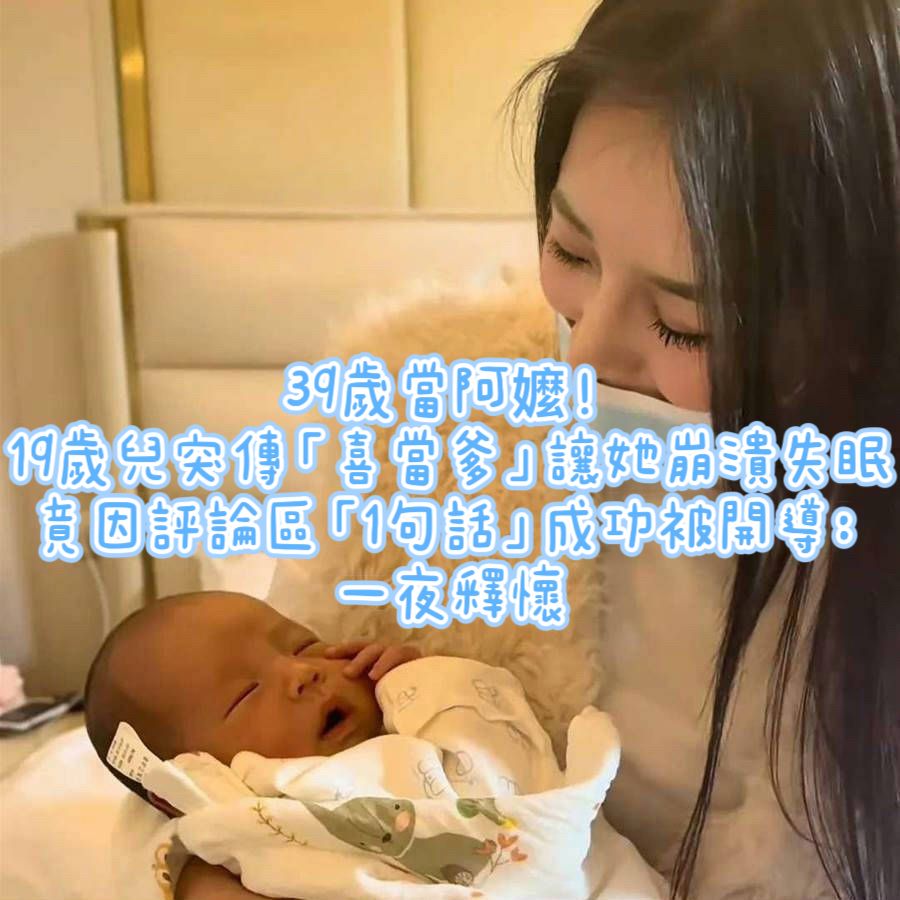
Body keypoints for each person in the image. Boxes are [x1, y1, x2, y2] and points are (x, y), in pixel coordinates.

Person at [175, 1, 899, 897]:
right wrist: (205, 874)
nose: (582, 354)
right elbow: (204, 770)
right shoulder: (422, 411)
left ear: (861, 323)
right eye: (571, 251)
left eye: (684, 321)